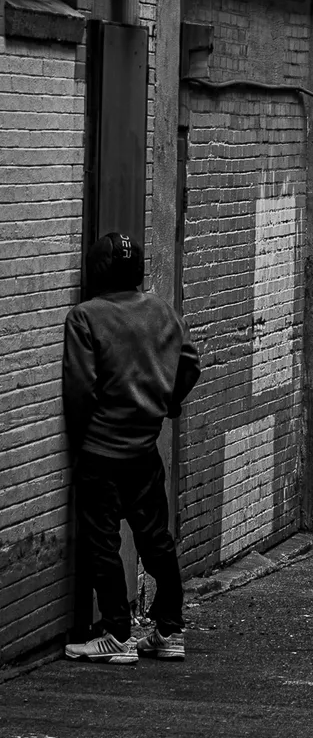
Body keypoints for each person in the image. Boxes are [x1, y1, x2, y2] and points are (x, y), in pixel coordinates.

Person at [62, 232, 200, 666]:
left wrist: (82, 437)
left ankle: (117, 634)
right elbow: (190, 363)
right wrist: (169, 402)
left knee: (102, 542)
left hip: (101, 452)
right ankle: (170, 630)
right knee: (156, 539)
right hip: (144, 450)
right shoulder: (163, 312)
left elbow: (81, 388)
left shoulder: (85, 317)